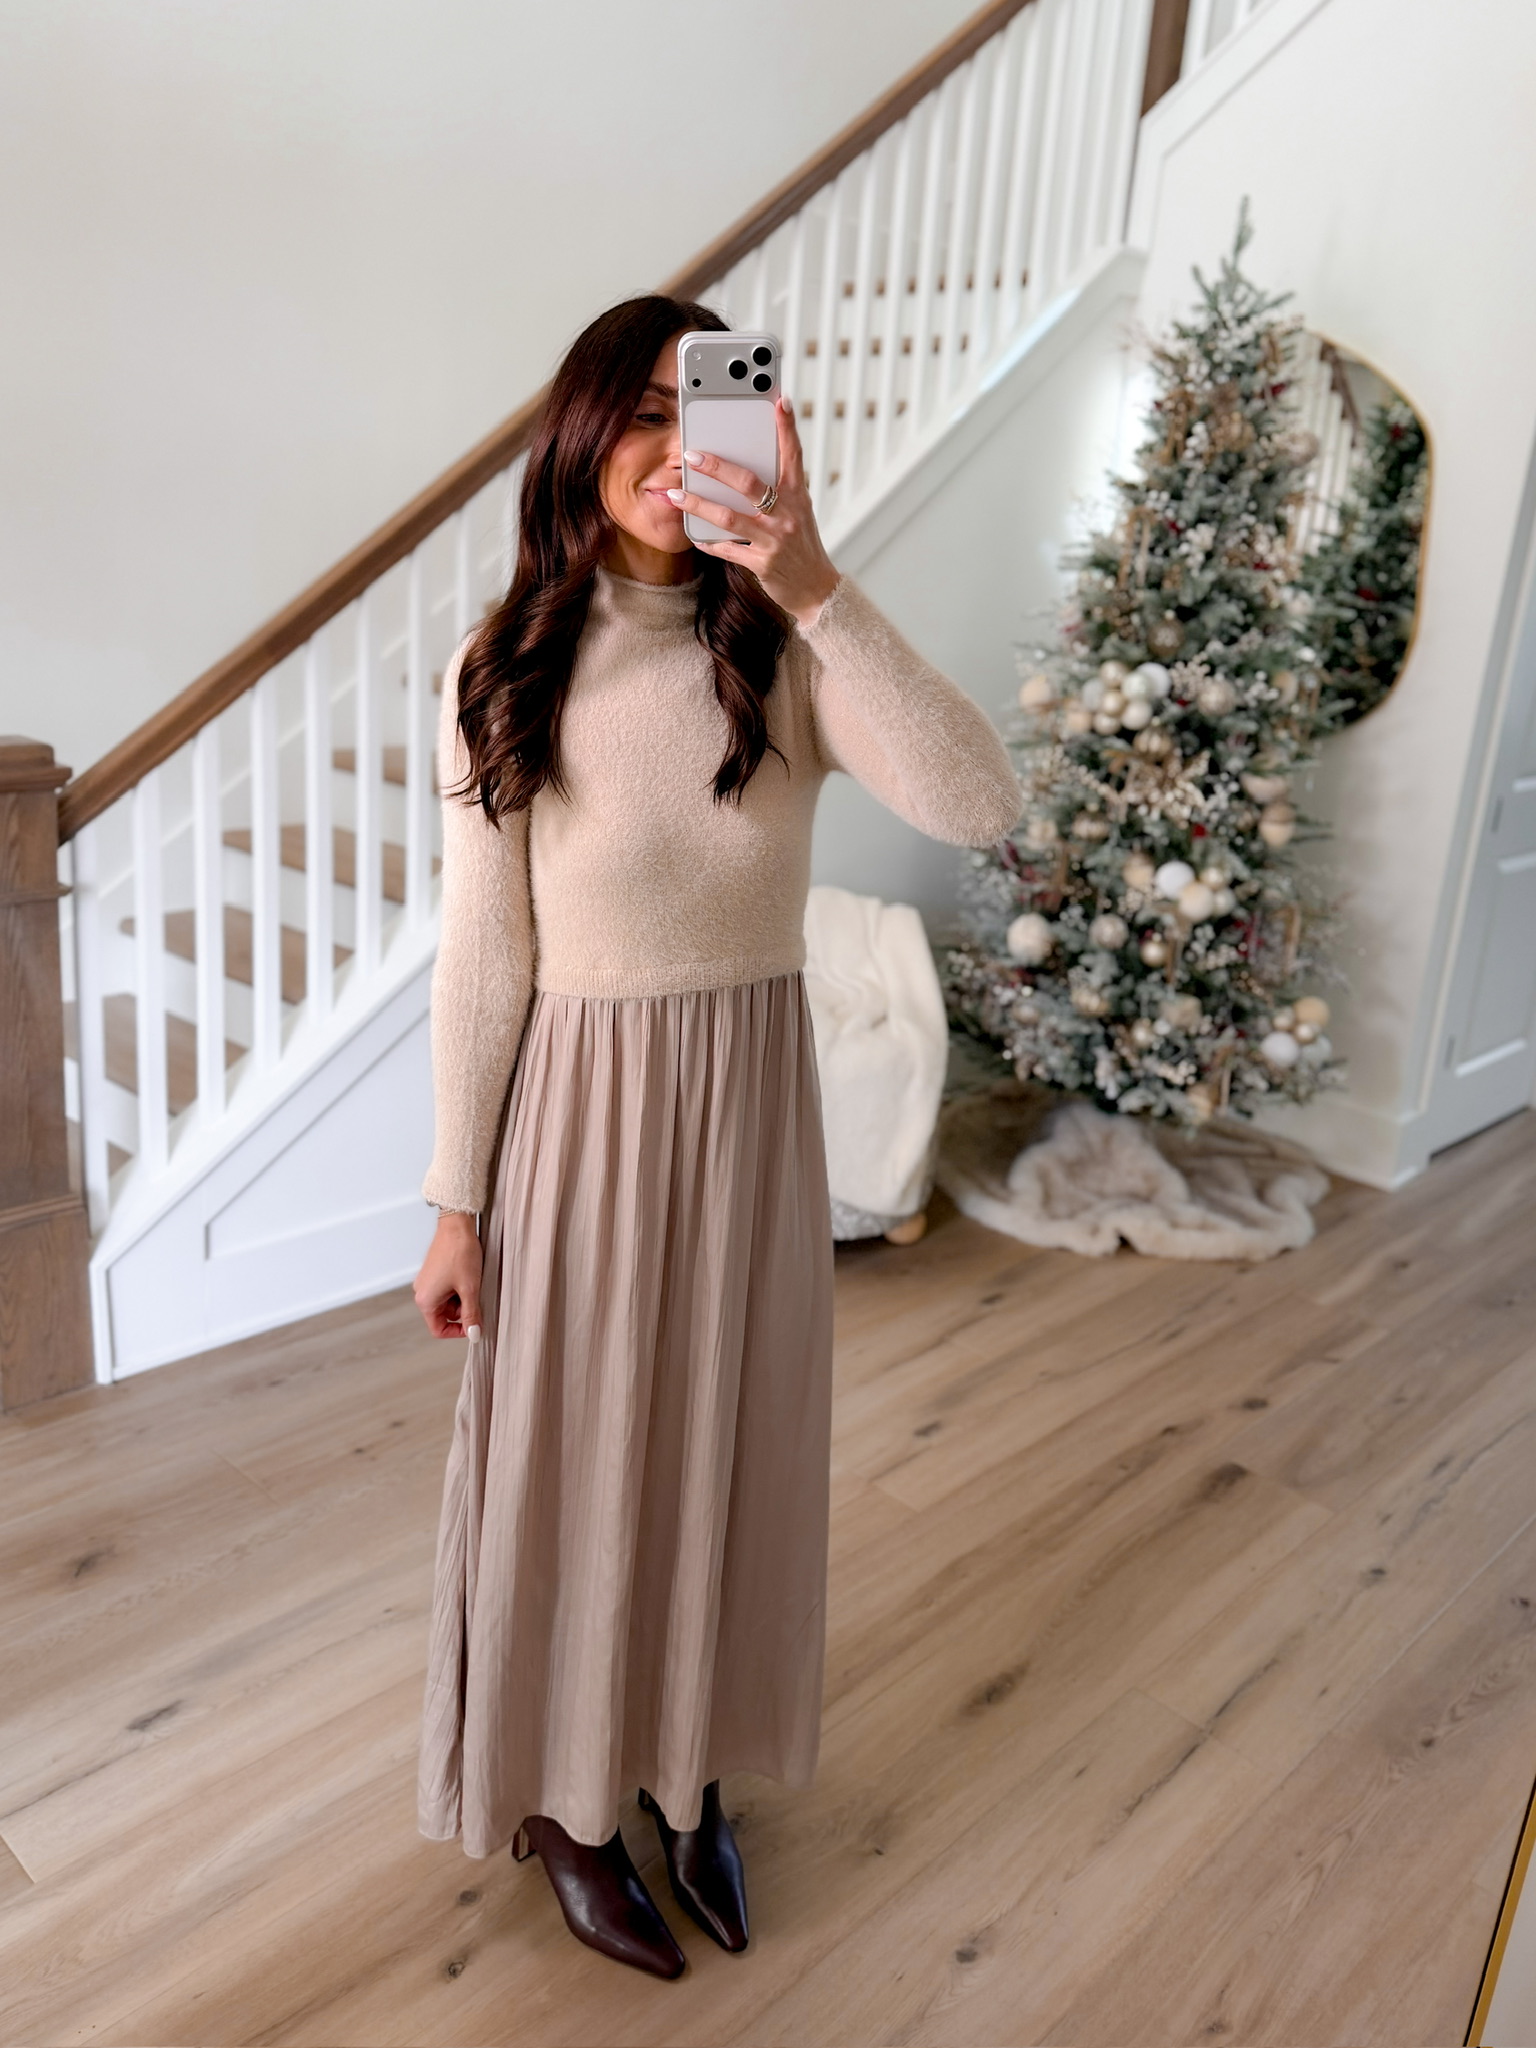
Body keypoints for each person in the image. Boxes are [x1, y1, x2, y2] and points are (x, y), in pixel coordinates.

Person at [411, 294, 1020, 1979]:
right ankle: (568, 1805)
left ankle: (691, 1777)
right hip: (579, 1119)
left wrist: (813, 582)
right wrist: (458, 1199)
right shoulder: (508, 666)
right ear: (582, 434)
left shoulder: (784, 651)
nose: (681, 449)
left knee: (728, 1461)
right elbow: (485, 959)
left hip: (752, 1106)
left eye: (715, 408)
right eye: (648, 413)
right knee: (570, 1468)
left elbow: (982, 803)